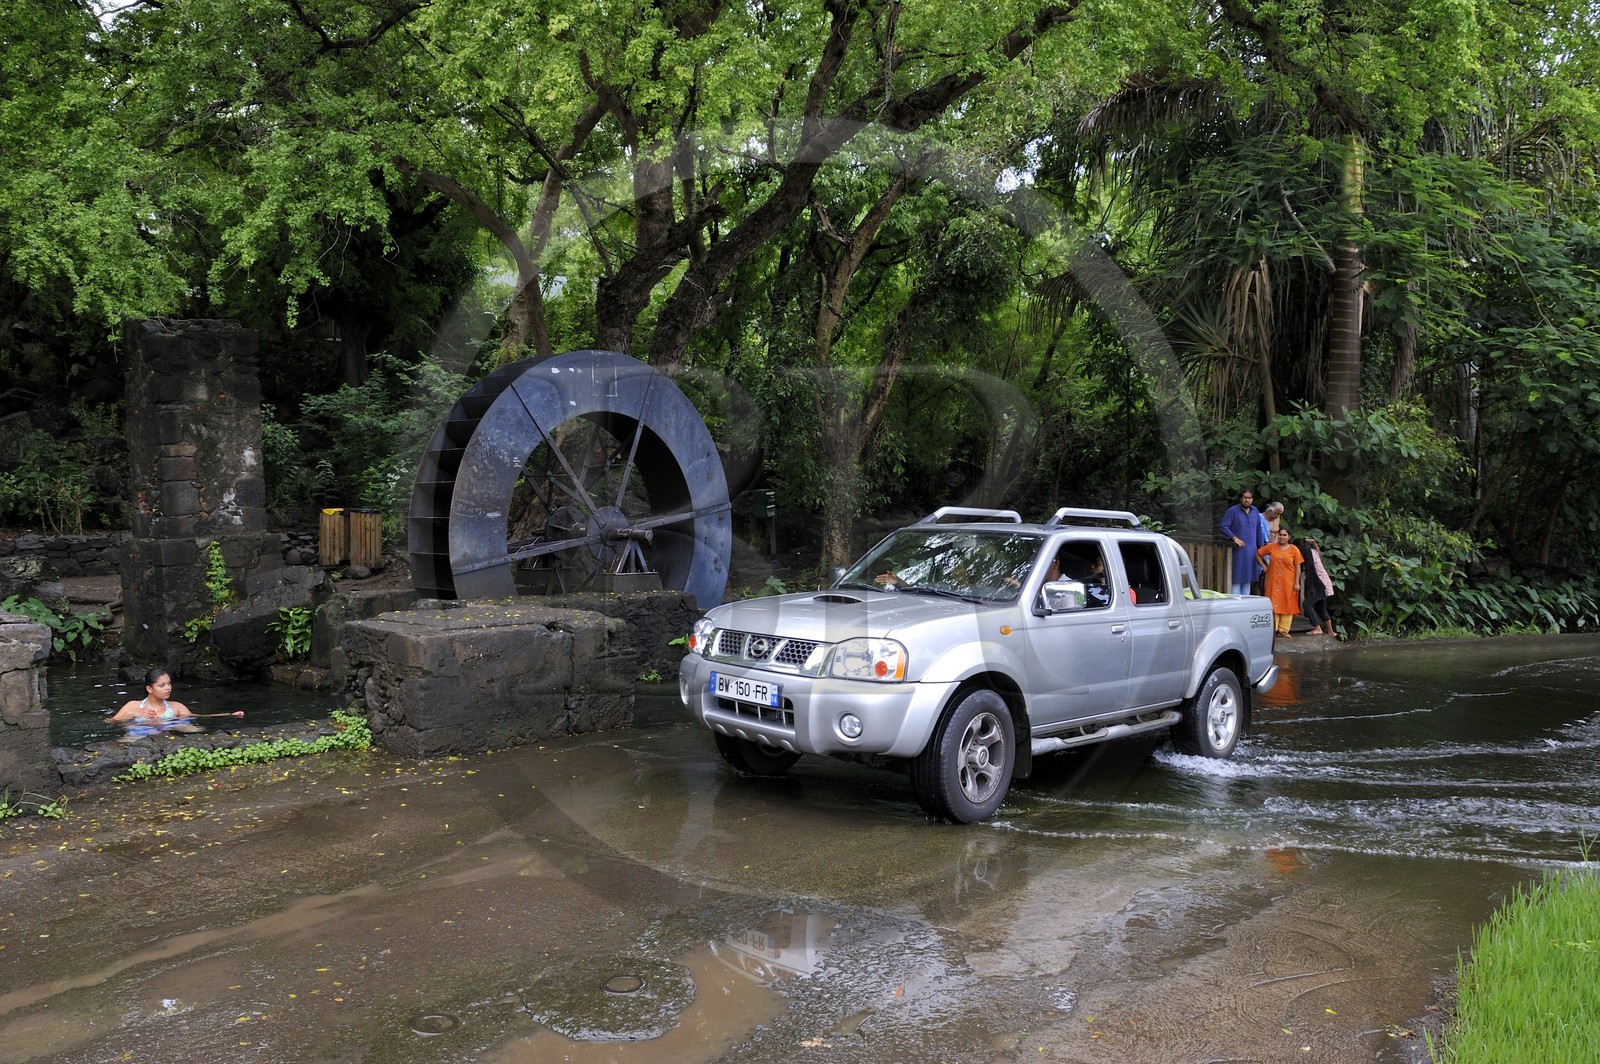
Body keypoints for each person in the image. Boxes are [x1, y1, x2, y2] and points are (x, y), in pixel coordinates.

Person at [108, 668, 243, 739]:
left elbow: (198, 717)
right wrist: (131, 713)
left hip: (165, 737)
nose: (168, 688)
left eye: (169, 683)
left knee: (196, 729)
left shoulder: (176, 707)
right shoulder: (133, 706)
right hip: (137, 736)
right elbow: (109, 722)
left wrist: (229, 715)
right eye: (162, 685)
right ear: (149, 689)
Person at [1256, 528, 1305, 639]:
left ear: (1289, 537)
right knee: (1273, 603)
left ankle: (1284, 630)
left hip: (1288, 582)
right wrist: (1264, 566)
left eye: (1284, 535)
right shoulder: (1271, 547)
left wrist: (1296, 583)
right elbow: (1258, 554)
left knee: (1287, 603)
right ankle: (1273, 629)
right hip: (1273, 581)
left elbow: (1298, 567)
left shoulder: (1294, 549)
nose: (1282, 537)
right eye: (1280, 534)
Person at [1219, 489, 1268, 596]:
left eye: (1249, 498)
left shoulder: (1255, 511)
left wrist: (1261, 547)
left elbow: (1258, 529)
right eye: (1245, 497)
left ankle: (1246, 602)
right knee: (1237, 577)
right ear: (1241, 498)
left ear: (1252, 499)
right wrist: (1234, 538)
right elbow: (1223, 526)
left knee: (1248, 579)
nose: (1247, 500)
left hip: (1252, 551)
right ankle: (1234, 602)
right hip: (1238, 551)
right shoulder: (1233, 511)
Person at [1299, 536, 1337, 637]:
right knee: (1321, 608)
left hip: (1319, 584)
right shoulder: (1314, 552)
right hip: (1325, 583)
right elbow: (1317, 549)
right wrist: (1314, 542)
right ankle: (1331, 631)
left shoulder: (1306, 555)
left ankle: (1317, 627)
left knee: (1307, 604)